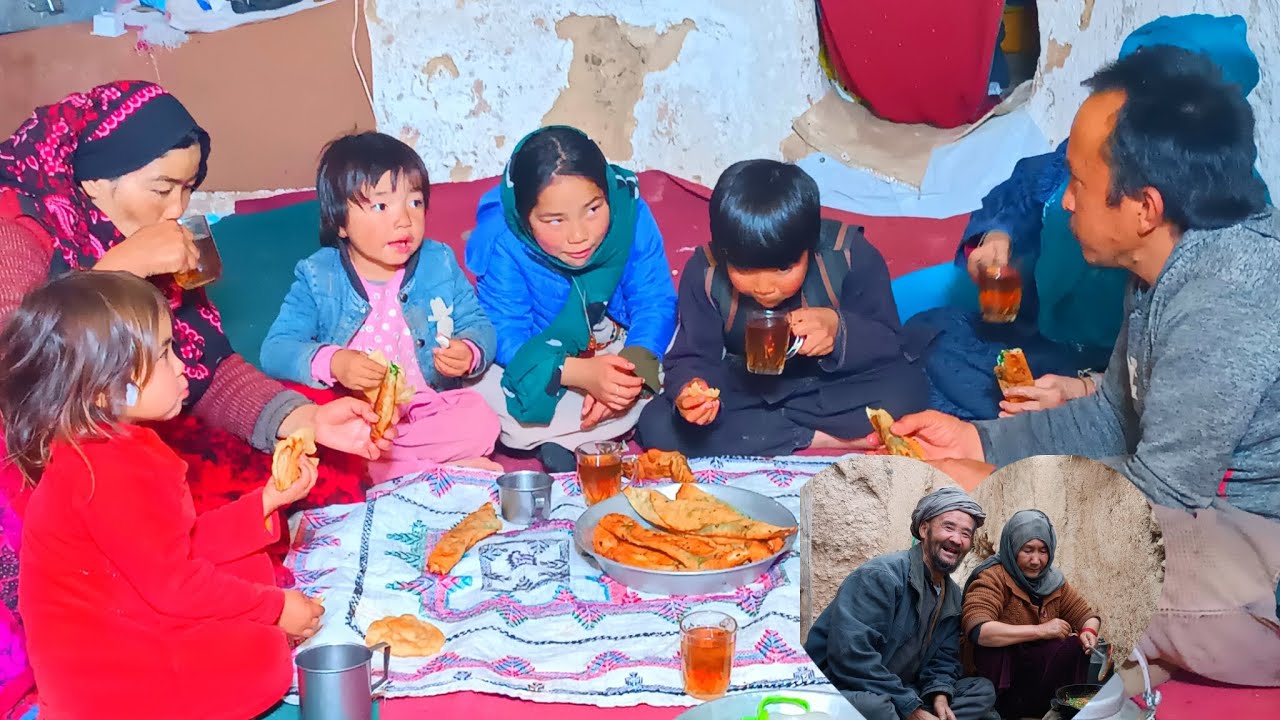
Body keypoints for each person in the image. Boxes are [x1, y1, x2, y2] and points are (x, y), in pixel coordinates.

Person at [859, 46, 1280, 689]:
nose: (1064, 202)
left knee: (981, 557)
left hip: (1254, 551)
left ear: (1144, 207)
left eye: (1079, 183)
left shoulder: (1226, 292)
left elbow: (1159, 495)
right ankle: (1115, 659)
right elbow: (1112, 416)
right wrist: (978, 442)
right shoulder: (1166, 261)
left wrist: (995, 487)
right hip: (1194, 518)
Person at [0, 81, 393, 521]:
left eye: (187, 188)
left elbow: (203, 368)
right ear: (95, 181)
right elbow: (18, 369)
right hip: (41, 453)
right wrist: (119, 271)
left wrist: (305, 419)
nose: (176, 209)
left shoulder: (155, 244)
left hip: (138, 424)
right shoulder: (17, 230)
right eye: (162, 189)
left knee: (321, 468)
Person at [906, 14, 1265, 421]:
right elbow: (1029, 186)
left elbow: (1174, 409)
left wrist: (1084, 393)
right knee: (928, 337)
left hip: (1110, 373)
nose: (1068, 201)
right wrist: (998, 235)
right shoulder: (1098, 150)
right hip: (1047, 340)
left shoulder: (1218, 256)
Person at [0, 271, 325, 719]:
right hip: (105, 683)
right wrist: (275, 609)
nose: (181, 366)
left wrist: (266, 502)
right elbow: (175, 585)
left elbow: (176, 545)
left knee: (249, 565)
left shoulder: (104, 444)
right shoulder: (108, 470)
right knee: (265, 658)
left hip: (119, 625)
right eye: (164, 354)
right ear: (103, 389)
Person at [636, 159, 930, 457]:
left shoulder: (850, 253)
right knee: (656, 425)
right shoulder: (705, 271)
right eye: (744, 269)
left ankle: (773, 435)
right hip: (748, 389)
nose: (764, 287)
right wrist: (694, 390)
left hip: (830, 386)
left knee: (908, 390)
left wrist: (838, 330)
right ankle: (826, 438)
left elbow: (889, 340)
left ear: (809, 247)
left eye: (783, 268)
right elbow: (694, 355)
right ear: (723, 251)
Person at [261, 132, 501, 481]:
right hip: (358, 420)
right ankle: (440, 470)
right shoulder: (318, 276)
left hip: (426, 407)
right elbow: (275, 351)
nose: (404, 220)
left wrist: (470, 351)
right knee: (338, 450)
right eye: (381, 206)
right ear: (340, 222)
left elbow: (478, 324)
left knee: (482, 421)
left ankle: (406, 472)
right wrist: (335, 362)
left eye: (415, 202)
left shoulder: (438, 261)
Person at [466, 126, 677, 471]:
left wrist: (627, 376)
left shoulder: (629, 211)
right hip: (543, 358)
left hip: (615, 345)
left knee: (684, 341)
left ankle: (582, 427)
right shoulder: (502, 238)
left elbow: (654, 301)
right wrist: (578, 373)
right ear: (524, 217)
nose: (579, 235)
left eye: (593, 209)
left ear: (607, 194)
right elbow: (505, 334)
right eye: (554, 220)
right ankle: (614, 423)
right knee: (479, 386)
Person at [804, 488, 997, 720]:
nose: (957, 539)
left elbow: (943, 659)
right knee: (876, 708)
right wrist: (912, 709)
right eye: (948, 527)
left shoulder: (953, 596)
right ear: (924, 529)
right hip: (844, 686)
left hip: (900, 690)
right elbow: (851, 657)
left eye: (966, 534)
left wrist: (940, 695)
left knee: (981, 691)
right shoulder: (881, 576)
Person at [962, 510, 1101, 718]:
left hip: (1033, 680)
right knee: (995, 650)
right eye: (1027, 550)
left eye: (1043, 551)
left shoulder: (1054, 582)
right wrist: (1041, 630)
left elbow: (1086, 616)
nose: (1036, 560)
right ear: (1012, 548)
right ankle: (994, 712)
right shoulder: (993, 576)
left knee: (1073, 646)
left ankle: (1055, 709)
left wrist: (1089, 632)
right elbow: (979, 629)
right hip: (998, 686)